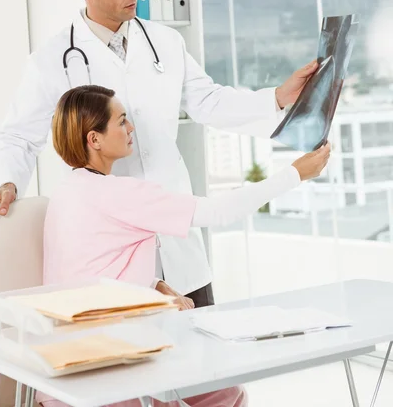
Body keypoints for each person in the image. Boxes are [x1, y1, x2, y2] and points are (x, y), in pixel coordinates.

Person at [0, 0, 320, 308]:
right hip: (113, 251)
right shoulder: (51, 59)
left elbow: (208, 102)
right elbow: (19, 135)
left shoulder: (165, 41)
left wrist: (278, 97)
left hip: (177, 237)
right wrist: (7, 181)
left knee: (204, 353)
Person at [37, 85, 330, 407]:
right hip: (108, 365)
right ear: (94, 140)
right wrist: (294, 175)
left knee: (225, 391)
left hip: (62, 363)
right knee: (225, 392)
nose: (131, 128)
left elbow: (87, 269)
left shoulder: (67, 191)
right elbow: (218, 212)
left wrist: (155, 285)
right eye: (121, 122)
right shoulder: (118, 193)